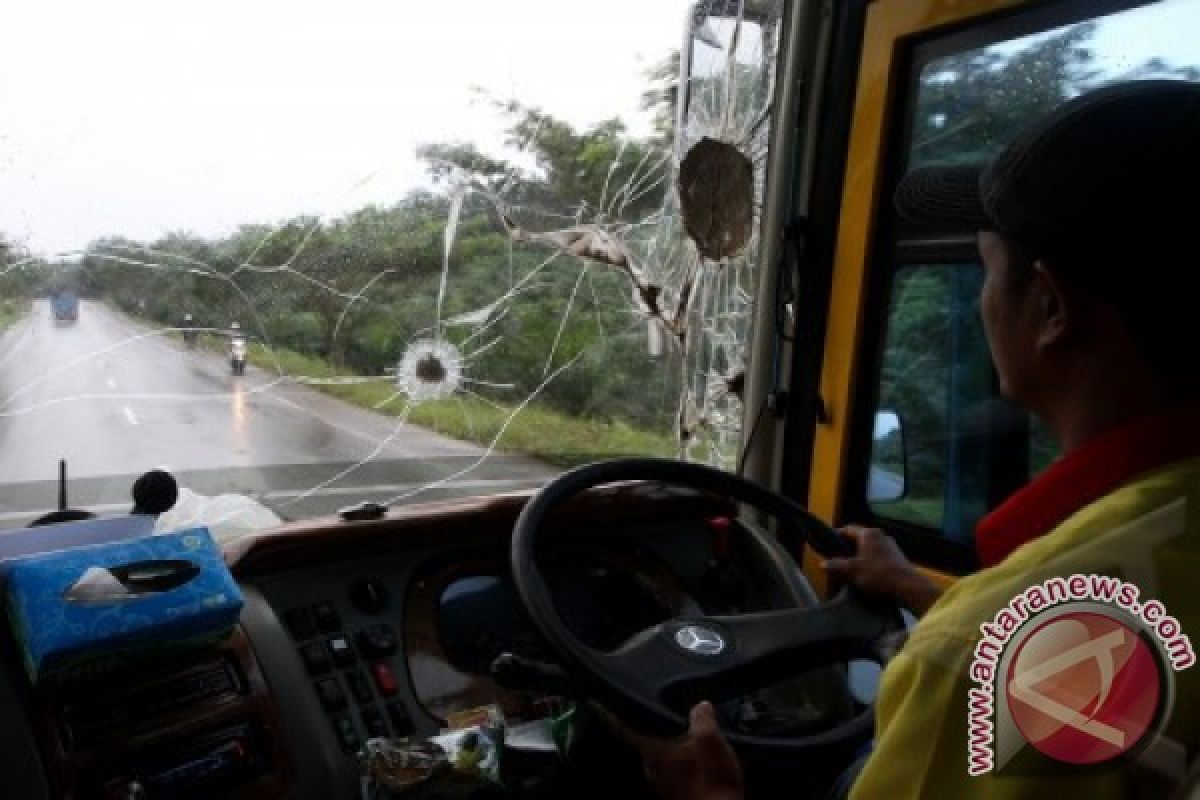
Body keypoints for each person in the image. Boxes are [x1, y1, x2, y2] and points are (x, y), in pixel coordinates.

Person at [635, 80, 1200, 798]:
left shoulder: (971, 658)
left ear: (1052, 307)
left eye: (985, 273)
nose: (982, 302)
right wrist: (914, 586)